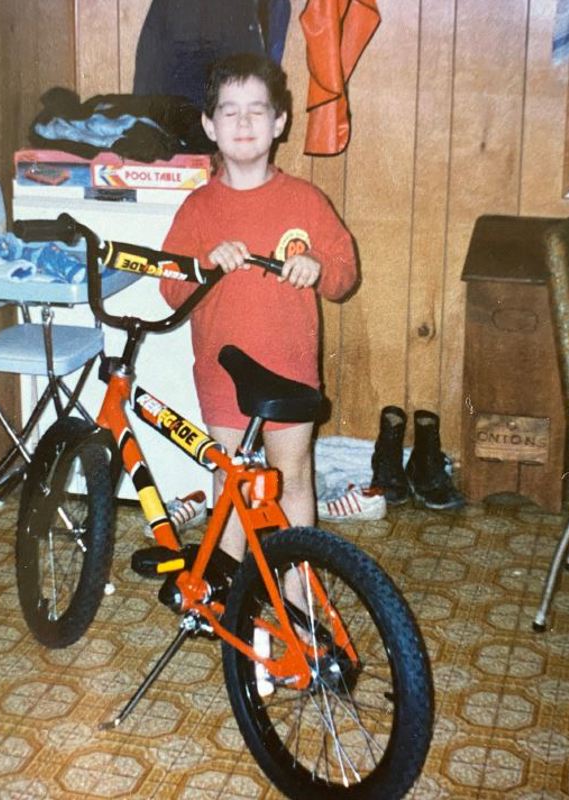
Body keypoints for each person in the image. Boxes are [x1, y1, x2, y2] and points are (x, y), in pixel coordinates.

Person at [159, 53, 358, 562]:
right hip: (223, 376)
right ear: (209, 125)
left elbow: (343, 276)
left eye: (256, 110)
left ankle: (298, 598)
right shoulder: (197, 209)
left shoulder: (306, 201)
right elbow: (171, 290)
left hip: (290, 371)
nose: (243, 122)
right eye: (229, 110)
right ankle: (228, 598)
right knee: (230, 483)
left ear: (279, 122)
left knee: (293, 479)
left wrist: (317, 263)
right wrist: (205, 266)